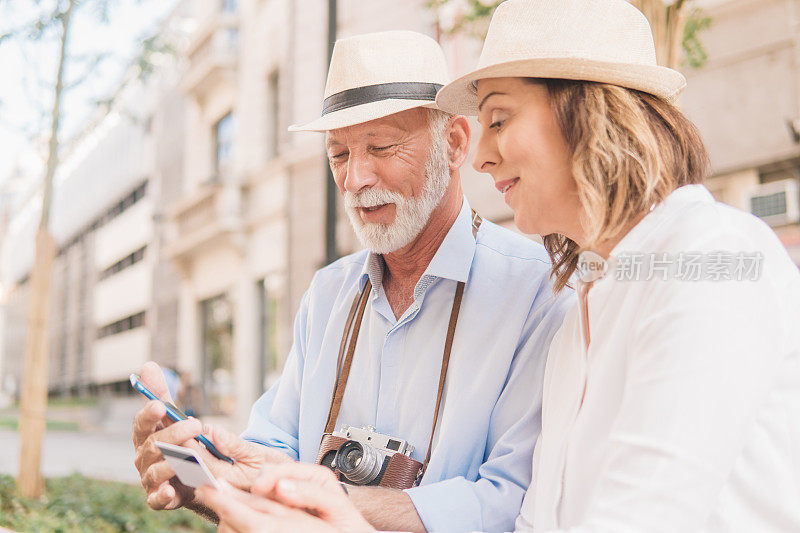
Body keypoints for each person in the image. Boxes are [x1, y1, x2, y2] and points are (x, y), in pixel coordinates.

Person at [196, 0, 800, 531]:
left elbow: (636, 517)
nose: (483, 157)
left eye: (500, 120)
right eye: (340, 154)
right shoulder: (590, 296)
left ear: (588, 113)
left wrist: (339, 516)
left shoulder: (714, 258)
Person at [132, 30, 572, 533]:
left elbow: (513, 500)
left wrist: (318, 498)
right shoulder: (327, 294)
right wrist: (201, 477)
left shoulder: (537, 291)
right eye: (338, 155)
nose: (356, 178)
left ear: (453, 143)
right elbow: (272, 452)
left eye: (380, 147)